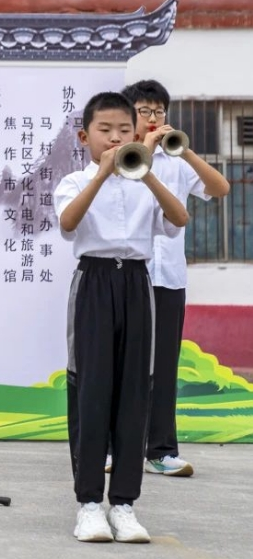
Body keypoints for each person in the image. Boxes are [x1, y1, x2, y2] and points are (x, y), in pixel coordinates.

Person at [54, 92, 188, 543]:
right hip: (93, 283)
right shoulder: (74, 180)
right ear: (84, 136)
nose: (115, 138)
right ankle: (89, 504)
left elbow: (179, 218)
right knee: (92, 391)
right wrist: (103, 173)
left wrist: (145, 172)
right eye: (104, 131)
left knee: (135, 392)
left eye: (124, 131)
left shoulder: (144, 180)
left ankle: (125, 505)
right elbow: (69, 223)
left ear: (138, 134)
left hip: (136, 282)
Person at [122, 79, 230, 477]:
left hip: (169, 277)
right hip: (129, 273)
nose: (153, 118)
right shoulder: (120, 156)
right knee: (124, 363)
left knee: (163, 366)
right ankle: (115, 448)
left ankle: (161, 450)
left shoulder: (177, 160)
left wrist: (184, 150)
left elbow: (220, 188)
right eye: (145, 111)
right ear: (129, 114)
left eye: (159, 111)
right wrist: (144, 148)